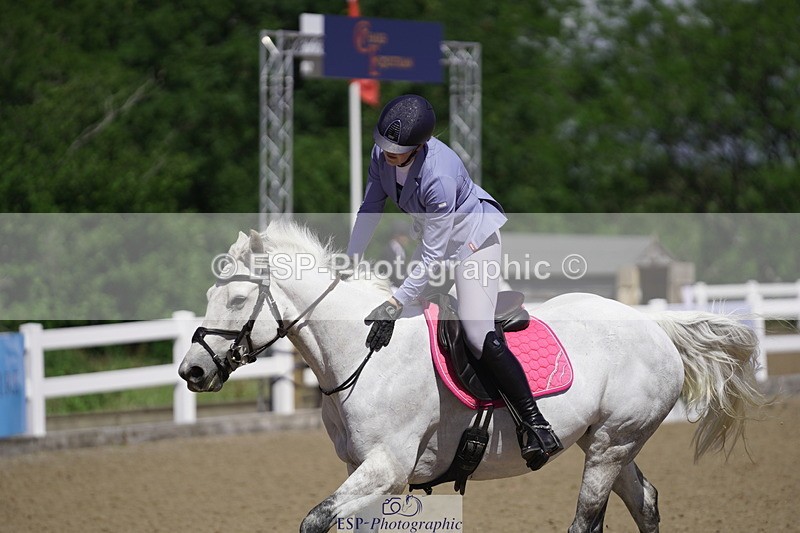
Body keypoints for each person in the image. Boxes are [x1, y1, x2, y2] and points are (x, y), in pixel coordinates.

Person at [346, 94, 562, 469]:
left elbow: (433, 255)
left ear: (420, 145)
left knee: (476, 332)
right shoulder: (382, 154)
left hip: (472, 244)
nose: (387, 155)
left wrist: (396, 301)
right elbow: (370, 207)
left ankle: (534, 424)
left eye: (397, 150)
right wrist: (349, 259)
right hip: (433, 240)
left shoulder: (439, 176)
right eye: (383, 146)